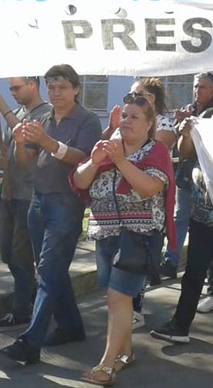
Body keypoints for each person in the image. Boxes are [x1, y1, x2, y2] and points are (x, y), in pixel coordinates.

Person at [0, 64, 102, 365]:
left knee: (47, 271)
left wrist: (47, 142)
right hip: (38, 200)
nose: (56, 93)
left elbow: (82, 158)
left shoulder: (88, 120)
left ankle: (31, 342)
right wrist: (20, 143)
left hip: (67, 204)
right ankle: (70, 325)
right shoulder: (42, 118)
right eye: (52, 87)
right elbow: (26, 158)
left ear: (76, 89)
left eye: (63, 87)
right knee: (53, 270)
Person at [72, 93, 175, 386]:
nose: (127, 122)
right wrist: (94, 162)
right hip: (105, 234)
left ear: (149, 124)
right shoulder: (106, 147)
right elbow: (79, 181)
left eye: (134, 118)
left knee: (119, 297)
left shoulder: (156, 151)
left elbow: (149, 187)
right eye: (124, 116)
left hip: (138, 238)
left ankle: (106, 365)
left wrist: (120, 161)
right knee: (115, 298)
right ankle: (125, 353)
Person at [150, 68, 213, 345]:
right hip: (203, 209)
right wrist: (186, 135)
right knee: (194, 269)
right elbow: (186, 152)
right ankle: (180, 324)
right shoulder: (207, 118)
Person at [0, 77, 52, 332]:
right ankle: (34, 297)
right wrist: (3, 160)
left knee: (20, 254)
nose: (12, 93)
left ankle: (22, 309)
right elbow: (13, 148)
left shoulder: (45, 113)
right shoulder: (15, 113)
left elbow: (28, 140)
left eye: (16, 88)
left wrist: (2, 108)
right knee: (6, 251)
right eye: (10, 89)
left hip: (29, 193)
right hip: (9, 192)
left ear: (32, 84)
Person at [160, 72, 213, 278]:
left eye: (202, 87)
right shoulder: (188, 109)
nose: (197, 90)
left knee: (202, 223)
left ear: (212, 90)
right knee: (179, 217)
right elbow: (175, 141)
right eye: (195, 86)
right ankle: (170, 261)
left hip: (206, 178)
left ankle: (200, 267)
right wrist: (179, 125)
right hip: (184, 173)